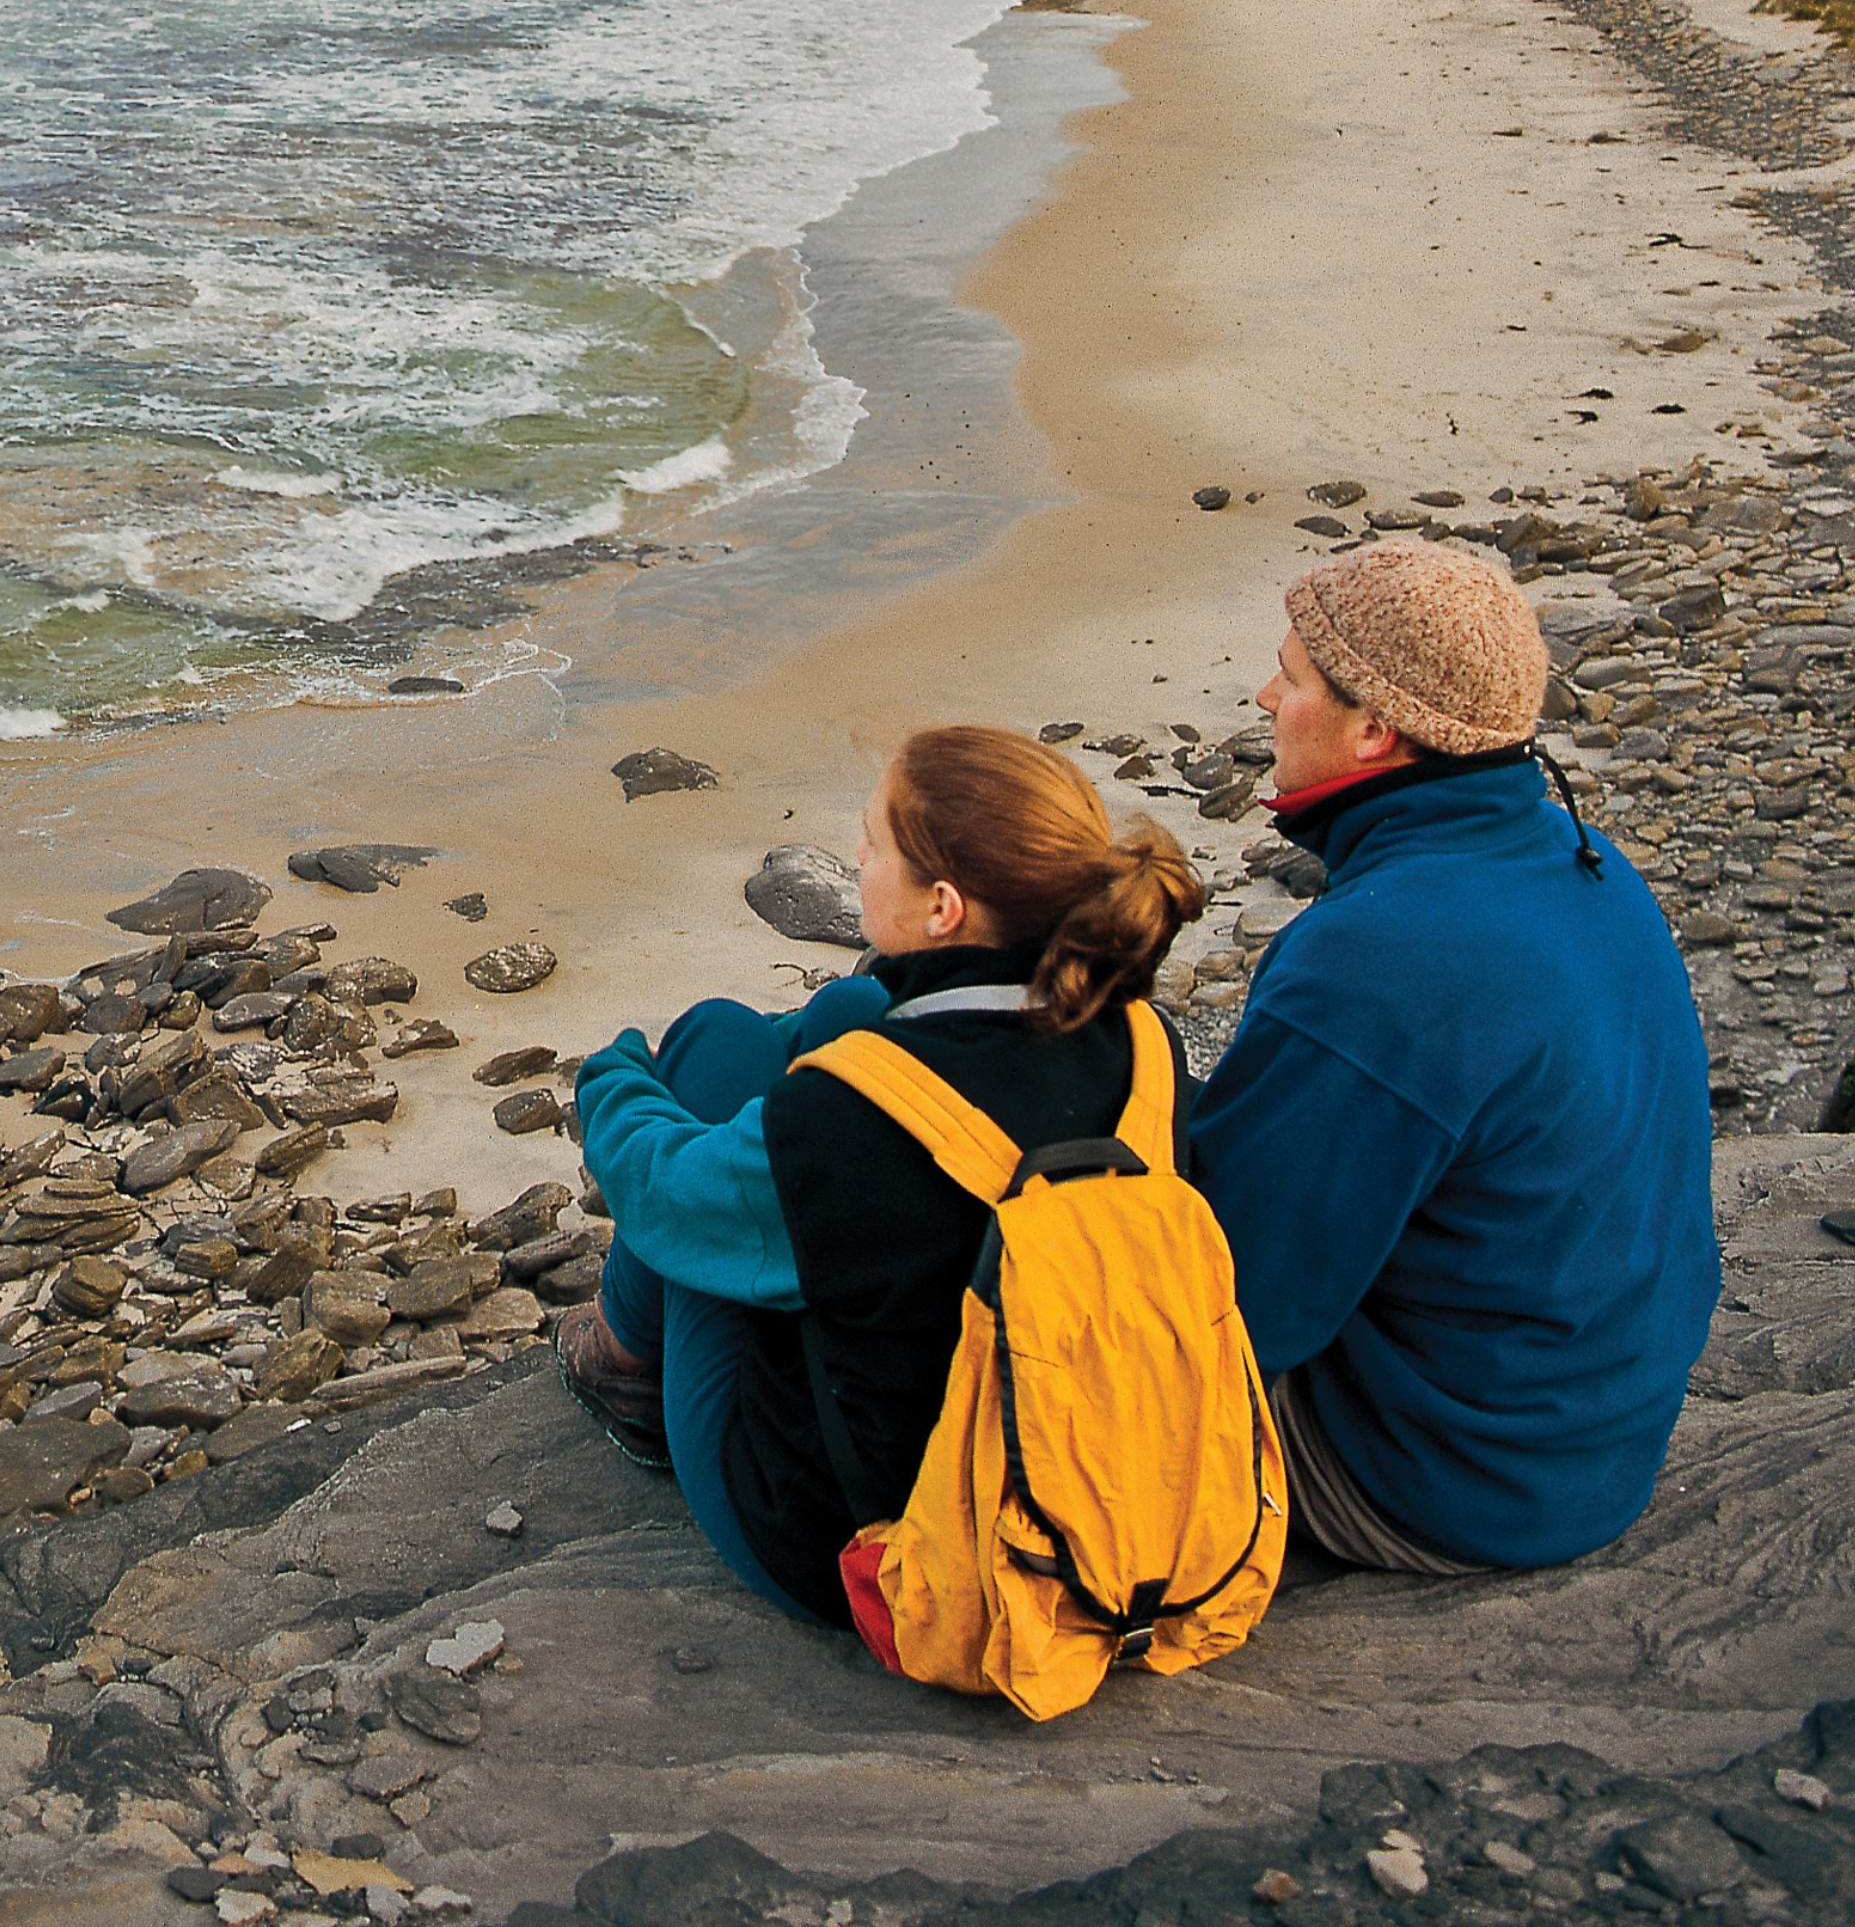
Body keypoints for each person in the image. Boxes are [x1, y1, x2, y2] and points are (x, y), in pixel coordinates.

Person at [562, 725, 1200, 1625]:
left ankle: (622, 1365)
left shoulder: (853, 1120)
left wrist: (616, 1072)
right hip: (1088, 1495)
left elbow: (666, 1193)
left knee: (712, 1043)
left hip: (869, 1550)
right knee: (851, 1004)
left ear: (942, 907)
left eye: (872, 842)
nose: (855, 855)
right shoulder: (1142, 1041)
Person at [1187, 539, 1716, 1574]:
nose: (1261, 697)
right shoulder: (1589, 865)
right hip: (1592, 1438)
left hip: (1445, 1480)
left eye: (1291, 678)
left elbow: (1234, 1310)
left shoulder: (1378, 962)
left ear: (1375, 730)